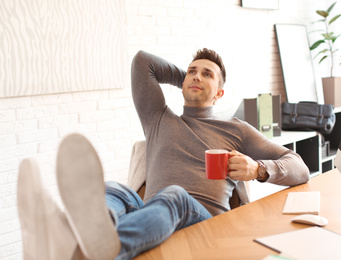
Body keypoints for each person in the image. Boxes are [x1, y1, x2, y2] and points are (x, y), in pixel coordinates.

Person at [17, 48, 310, 260]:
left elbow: (299, 167)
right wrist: (191, 78)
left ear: (219, 93)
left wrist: (257, 169)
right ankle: (70, 234)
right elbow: (142, 62)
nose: (196, 76)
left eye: (207, 74)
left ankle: (88, 253)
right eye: (191, 71)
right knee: (114, 190)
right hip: (153, 214)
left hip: (203, 222)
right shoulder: (159, 117)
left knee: (174, 195)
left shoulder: (237, 129)